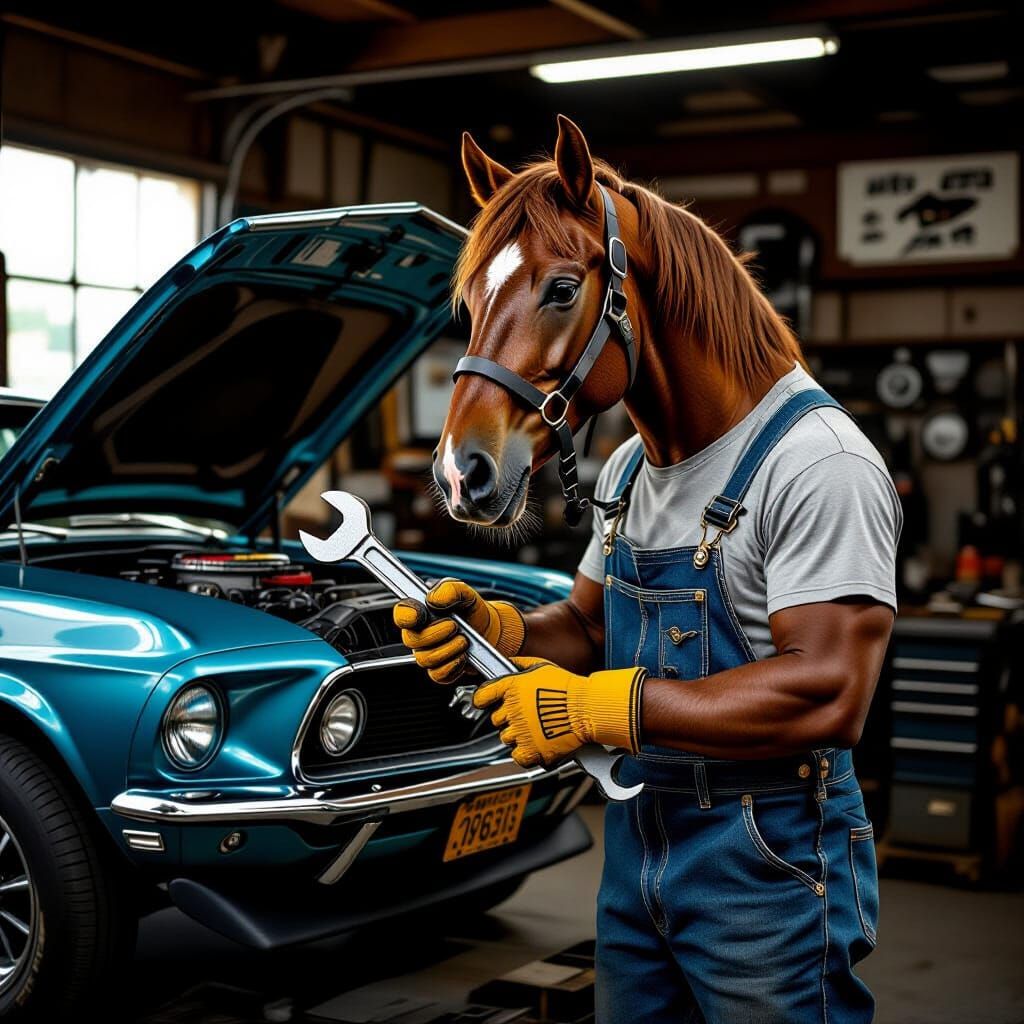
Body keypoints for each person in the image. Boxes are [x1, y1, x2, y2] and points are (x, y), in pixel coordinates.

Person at [395, 361, 900, 1021]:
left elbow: (829, 694)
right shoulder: (630, 467)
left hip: (767, 856)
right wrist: (498, 633)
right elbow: (589, 623)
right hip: (639, 841)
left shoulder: (819, 462)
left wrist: (590, 708)